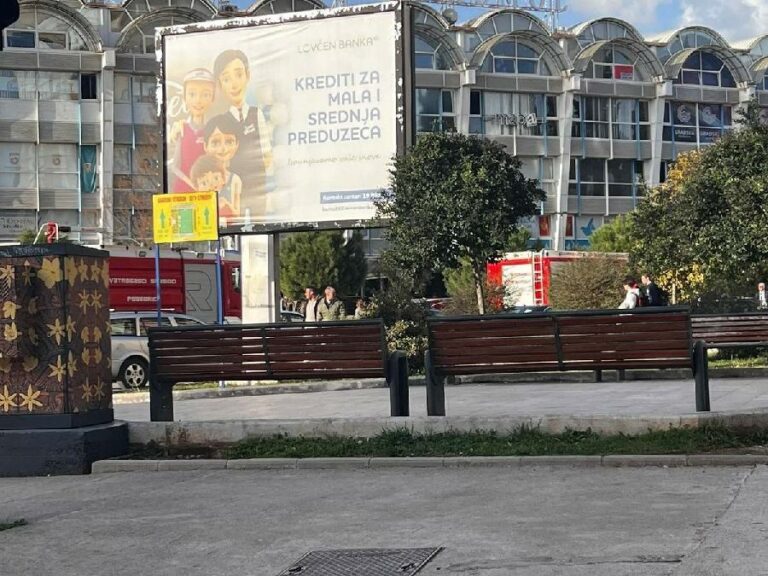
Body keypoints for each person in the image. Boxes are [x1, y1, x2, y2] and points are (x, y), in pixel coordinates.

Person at [212, 49, 273, 217]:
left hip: (257, 188)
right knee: (236, 224)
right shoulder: (221, 121)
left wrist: (260, 175)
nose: (234, 84)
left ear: (248, 75)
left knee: (259, 225)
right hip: (232, 188)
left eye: (238, 75)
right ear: (220, 84)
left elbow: (267, 152)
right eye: (226, 79)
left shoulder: (256, 114)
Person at [169, 68, 216, 193]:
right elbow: (175, 166)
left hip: (207, 192)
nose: (198, 100)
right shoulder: (181, 128)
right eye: (192, 94)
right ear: (184, 97)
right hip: (183, 192)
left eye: (205, 95)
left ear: (212, 99)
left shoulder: (213, 130)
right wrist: (192, 183)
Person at [202, 114, 243, 219]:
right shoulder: (201, 177)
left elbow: (237, 215)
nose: (223, 148)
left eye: (229, 142)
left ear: (237, 144)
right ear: (205, 146)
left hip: (231, 230)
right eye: (215, 143)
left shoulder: (235, 180)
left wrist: (226, 204)